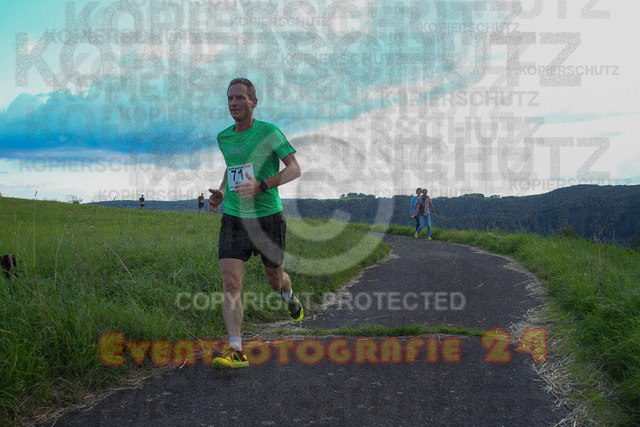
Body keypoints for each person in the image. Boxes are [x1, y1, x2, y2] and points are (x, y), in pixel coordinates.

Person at [208, 78, 303, 369]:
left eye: (239, 98)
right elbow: (232, 167)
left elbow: (294, 169)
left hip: (267, 219)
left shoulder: (269, 132)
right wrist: (222, 192)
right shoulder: (224, 137)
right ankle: (236, 350)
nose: (233, 103)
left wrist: (262, 185)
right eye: (229, 98)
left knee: (275, 280)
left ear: (254, 102)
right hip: (234, 219)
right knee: (230, 282)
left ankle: (289, 295)